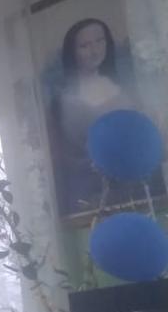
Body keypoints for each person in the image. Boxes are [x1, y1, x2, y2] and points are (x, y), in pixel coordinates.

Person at [52, 18, 133, 214]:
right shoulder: (65, 101)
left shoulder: (123, 90)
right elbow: (67, 155)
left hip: (131, 185)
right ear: (72, 52)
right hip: (88, 194)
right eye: (85, 46)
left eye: (99, 41)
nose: (95, 51)